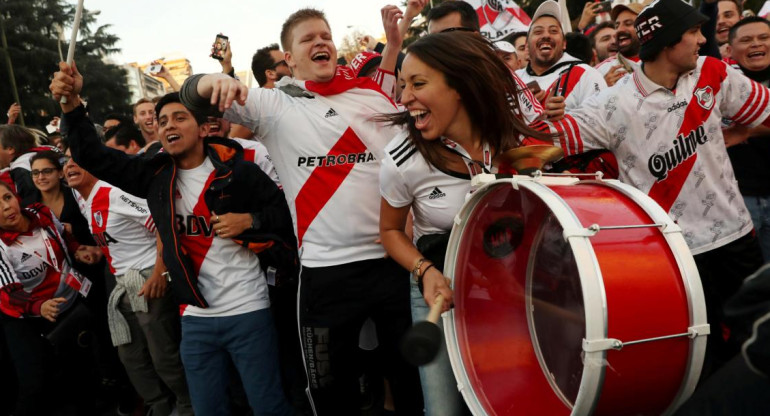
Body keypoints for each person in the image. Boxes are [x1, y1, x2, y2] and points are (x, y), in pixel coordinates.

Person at [179, 8, 424, 415]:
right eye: (308, 39)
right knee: (331, 395)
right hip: (326, 275)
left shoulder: (371, 95)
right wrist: (215, 79)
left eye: (325, 36)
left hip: (394, 265)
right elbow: (192, 94)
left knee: (409, 384)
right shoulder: (275, 105)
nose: (321, 43)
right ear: (289, 60)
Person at [531, 0, 768, 375]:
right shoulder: (611, 103)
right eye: (692, 33)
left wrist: (734, 135)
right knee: (696, 357)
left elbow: (766, 111)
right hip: (673, 254)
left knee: (756, 345)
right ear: (667, 42)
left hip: (736, 238)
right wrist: (539, 115)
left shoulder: (714, 72)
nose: (701, 40)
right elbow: (541, 146)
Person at [51, 62, 296, 414]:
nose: (168, 125)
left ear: (201, 127)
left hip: (249, 311)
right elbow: (93, 156)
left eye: (179, 117)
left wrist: (250, 219)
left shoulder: (239, 172)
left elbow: (286, 217)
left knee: (267, 405)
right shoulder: (154, 176)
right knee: (207, 408)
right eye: (162, 121)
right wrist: (71, 104)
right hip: (195, 318)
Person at [378, 31, 548, 416]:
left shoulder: (513, 141)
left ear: (460, 85)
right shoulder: (401, 159)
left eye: (418, 84)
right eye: (404, 85)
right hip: (437, 287)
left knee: (509, 400)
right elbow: (389, 232)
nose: (404, 98)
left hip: (506, 287)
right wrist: (424, 271)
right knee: (442, 410)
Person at [0, 181, 95, 415]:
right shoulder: (2, 245)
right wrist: (39, 306)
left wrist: (78, 250)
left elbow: (63, 238)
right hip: (27, 318)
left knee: (82, 370)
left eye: (7, 197)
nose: (5, 207)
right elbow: (8, 294)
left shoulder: (40, 213)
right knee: (35, 382)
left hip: (71, 302)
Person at [722, 16, 770, 263]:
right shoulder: (718, 83)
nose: (755, 44)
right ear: (729, 49)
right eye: (747, 39)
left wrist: (750, 130)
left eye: (763, 38)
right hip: (738, 202)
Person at [516, 1, 607, 110]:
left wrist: (565, 120)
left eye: (553, 31)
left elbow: (603, 120)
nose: (546, 35)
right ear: (526, 46)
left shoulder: (586, 75)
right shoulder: (514, 80)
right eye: (538, 32)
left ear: (564, 44)